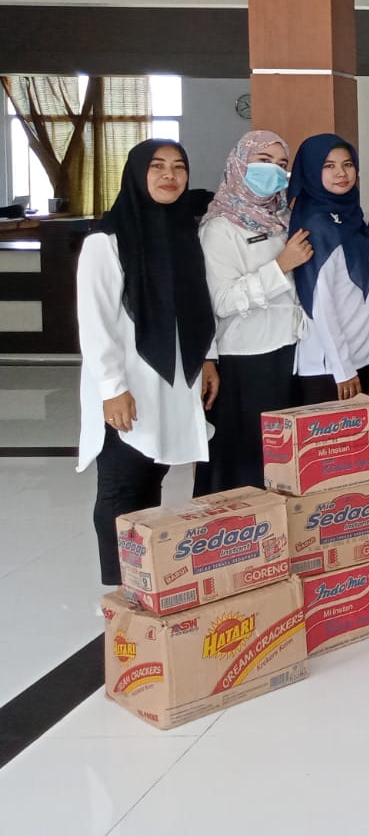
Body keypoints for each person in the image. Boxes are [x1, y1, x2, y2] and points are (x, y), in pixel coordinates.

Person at [78, 141, 219, 586]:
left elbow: (199, 305)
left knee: (151, 474)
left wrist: (208, 358)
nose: (169, 176)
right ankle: (119, 588)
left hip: (175, 378)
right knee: (120, 484)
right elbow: (95, 322)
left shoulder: (183, 234)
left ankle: (142, 579)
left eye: (179, 167)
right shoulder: (106, 241)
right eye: (157, 166)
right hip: (128, 382)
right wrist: (112, 388)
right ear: (137, 174)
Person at [197, 130, 308, 492]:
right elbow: (222, 300)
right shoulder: (220, 227)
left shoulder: (281, 219)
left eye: (281, 164)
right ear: (239, 163)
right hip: (246, 359)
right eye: (263, 161)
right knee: (244, 464)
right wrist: (280, 267)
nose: (273, 170)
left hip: (287, 354)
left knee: (278, 462)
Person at [289, 134, 369, 403]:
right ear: (310, 171)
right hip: (329, 366)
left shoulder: (349, 215)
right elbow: (321, 304)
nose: (341, 173)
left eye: (348, 164)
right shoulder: (315, 224)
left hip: (355, 356)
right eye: (328, 166)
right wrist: (342, 368)